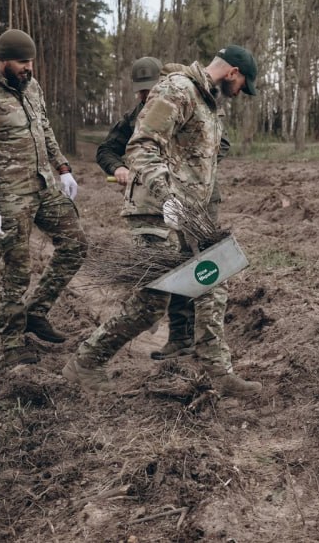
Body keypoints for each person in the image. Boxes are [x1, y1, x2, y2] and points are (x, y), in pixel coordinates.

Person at [65, 46, 261, 398]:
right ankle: (87, 361)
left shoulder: (207, 101)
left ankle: (218, 372)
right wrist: (168, 195)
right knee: (153, 301)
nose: (240, 92)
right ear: (233, 71)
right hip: (155, 210)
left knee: (214, 280)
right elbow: (141, 146)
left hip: (189, 213)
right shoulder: (178, 89)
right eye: (243, 83)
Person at [0, 28, 87, 366]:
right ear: (3, 61)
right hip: (7, 197)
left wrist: (63, 167)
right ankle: (12, 345)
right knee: (17, 269)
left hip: (43, 187)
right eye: (23, 62)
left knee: (76, 244)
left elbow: (44, 127)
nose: (29, 68)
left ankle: (36, 312)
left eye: (31, 61)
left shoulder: (30, 86)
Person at [96, 55, 230, 362]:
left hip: (201, 201)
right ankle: (181, 337)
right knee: (172, 267)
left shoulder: (186, 100)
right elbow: (109, 149)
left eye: (150, 87)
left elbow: (220, 144)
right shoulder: (135, 117)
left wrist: (189, 169)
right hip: (161, 202)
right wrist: (119, 168)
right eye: (140, 91)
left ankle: (203, 347)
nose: (145, 96)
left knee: (203, 270)